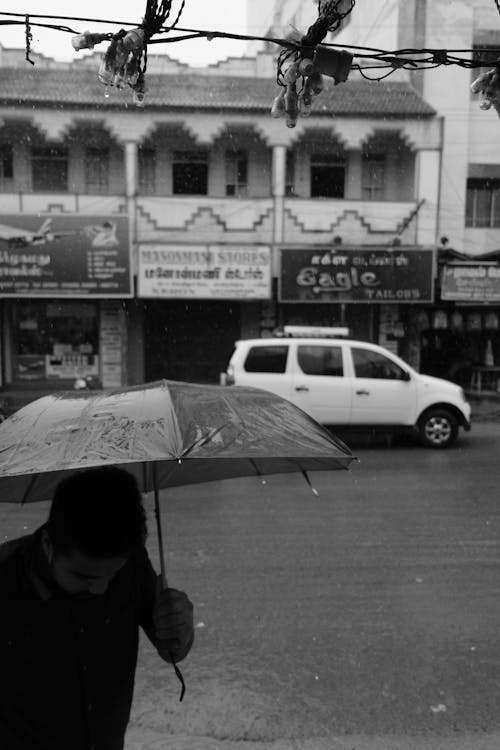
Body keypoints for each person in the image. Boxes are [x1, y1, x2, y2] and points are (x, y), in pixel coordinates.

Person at [0, 465, 195, 750]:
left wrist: (180, 628)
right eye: (84, 577)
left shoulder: (131, 560)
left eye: (112, 575)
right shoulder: (5, 578)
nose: (101, 588)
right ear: (48, 544)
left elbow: (171, 648)